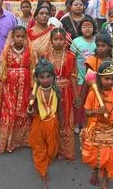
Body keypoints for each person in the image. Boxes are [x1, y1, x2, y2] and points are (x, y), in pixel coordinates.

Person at [82, 61, 113, 189]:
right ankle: (95, 171)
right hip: (97, 130)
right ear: (99, 79)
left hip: (111, 131)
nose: (110, 81)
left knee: (109, 159)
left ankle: (105, 182)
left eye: (112, 78)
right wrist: (96, 111)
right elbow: (86, 113)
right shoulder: (93, 94)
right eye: (107, 78)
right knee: (95, 158)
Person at [0, 26, 34, 153]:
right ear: (12, 37)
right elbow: (1, 67)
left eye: (23, 36)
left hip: (25, 85)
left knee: (23, 110)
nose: (20, 39)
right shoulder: (7, 51)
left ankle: (21, 139)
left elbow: (34, 67)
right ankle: (7, 141)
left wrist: (34, 87)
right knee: (9, 111)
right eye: (17, 36)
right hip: (9, 86)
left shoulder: (30, 51)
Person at [45, 28, 80, 160]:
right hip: (50, 91)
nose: (59, 42)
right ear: (51, 41)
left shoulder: (71, 56)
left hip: (66, 91)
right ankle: (53, 148)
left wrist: (76, 95)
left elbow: (72, 76)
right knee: (52, 119)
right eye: (56, 39)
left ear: (65, 41)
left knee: (65, 119)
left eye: (61, 39)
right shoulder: (47, 55)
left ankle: (65, 150)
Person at [27, 58, 61, 189]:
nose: (45, 80)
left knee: (52, 150)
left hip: (52, 124)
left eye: (48, 76)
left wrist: (62, 124)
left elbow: (60, 110)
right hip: (39, 124)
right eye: (41, 77)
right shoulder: (34, 93)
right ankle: (42, 173)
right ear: (37, 79)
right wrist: (30, 106)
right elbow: (30, 112)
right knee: (40, 150)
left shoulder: (57, 91)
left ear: (53, 77)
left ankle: (45, 166)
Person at [70, 18, 97, 133]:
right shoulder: (76, 41)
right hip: (80, 77)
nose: (87, 29)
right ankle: (76, 123)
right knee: (79, 101)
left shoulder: (97, 41)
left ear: (94, 28)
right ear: (80, 29)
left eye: (90, 26)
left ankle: (86, 123)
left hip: (94, 78)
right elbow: (72, 58)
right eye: (84, 26)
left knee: (90, 102)